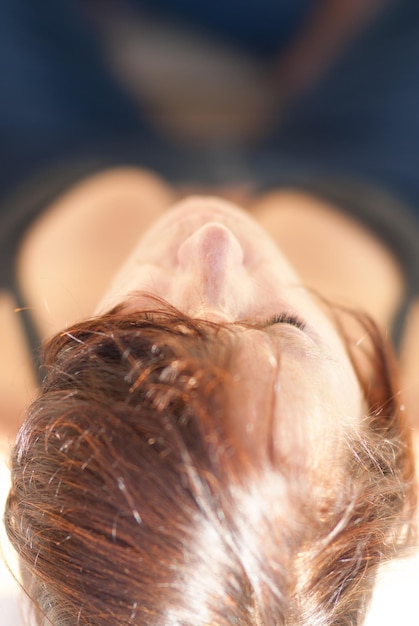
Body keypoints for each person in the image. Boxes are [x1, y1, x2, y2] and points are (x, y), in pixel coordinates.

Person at [1, 0, 419, 624]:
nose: (212, 239)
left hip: (64, 155)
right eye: (286, 328)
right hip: (361, 167)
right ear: (383, 464)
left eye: (137, 328)